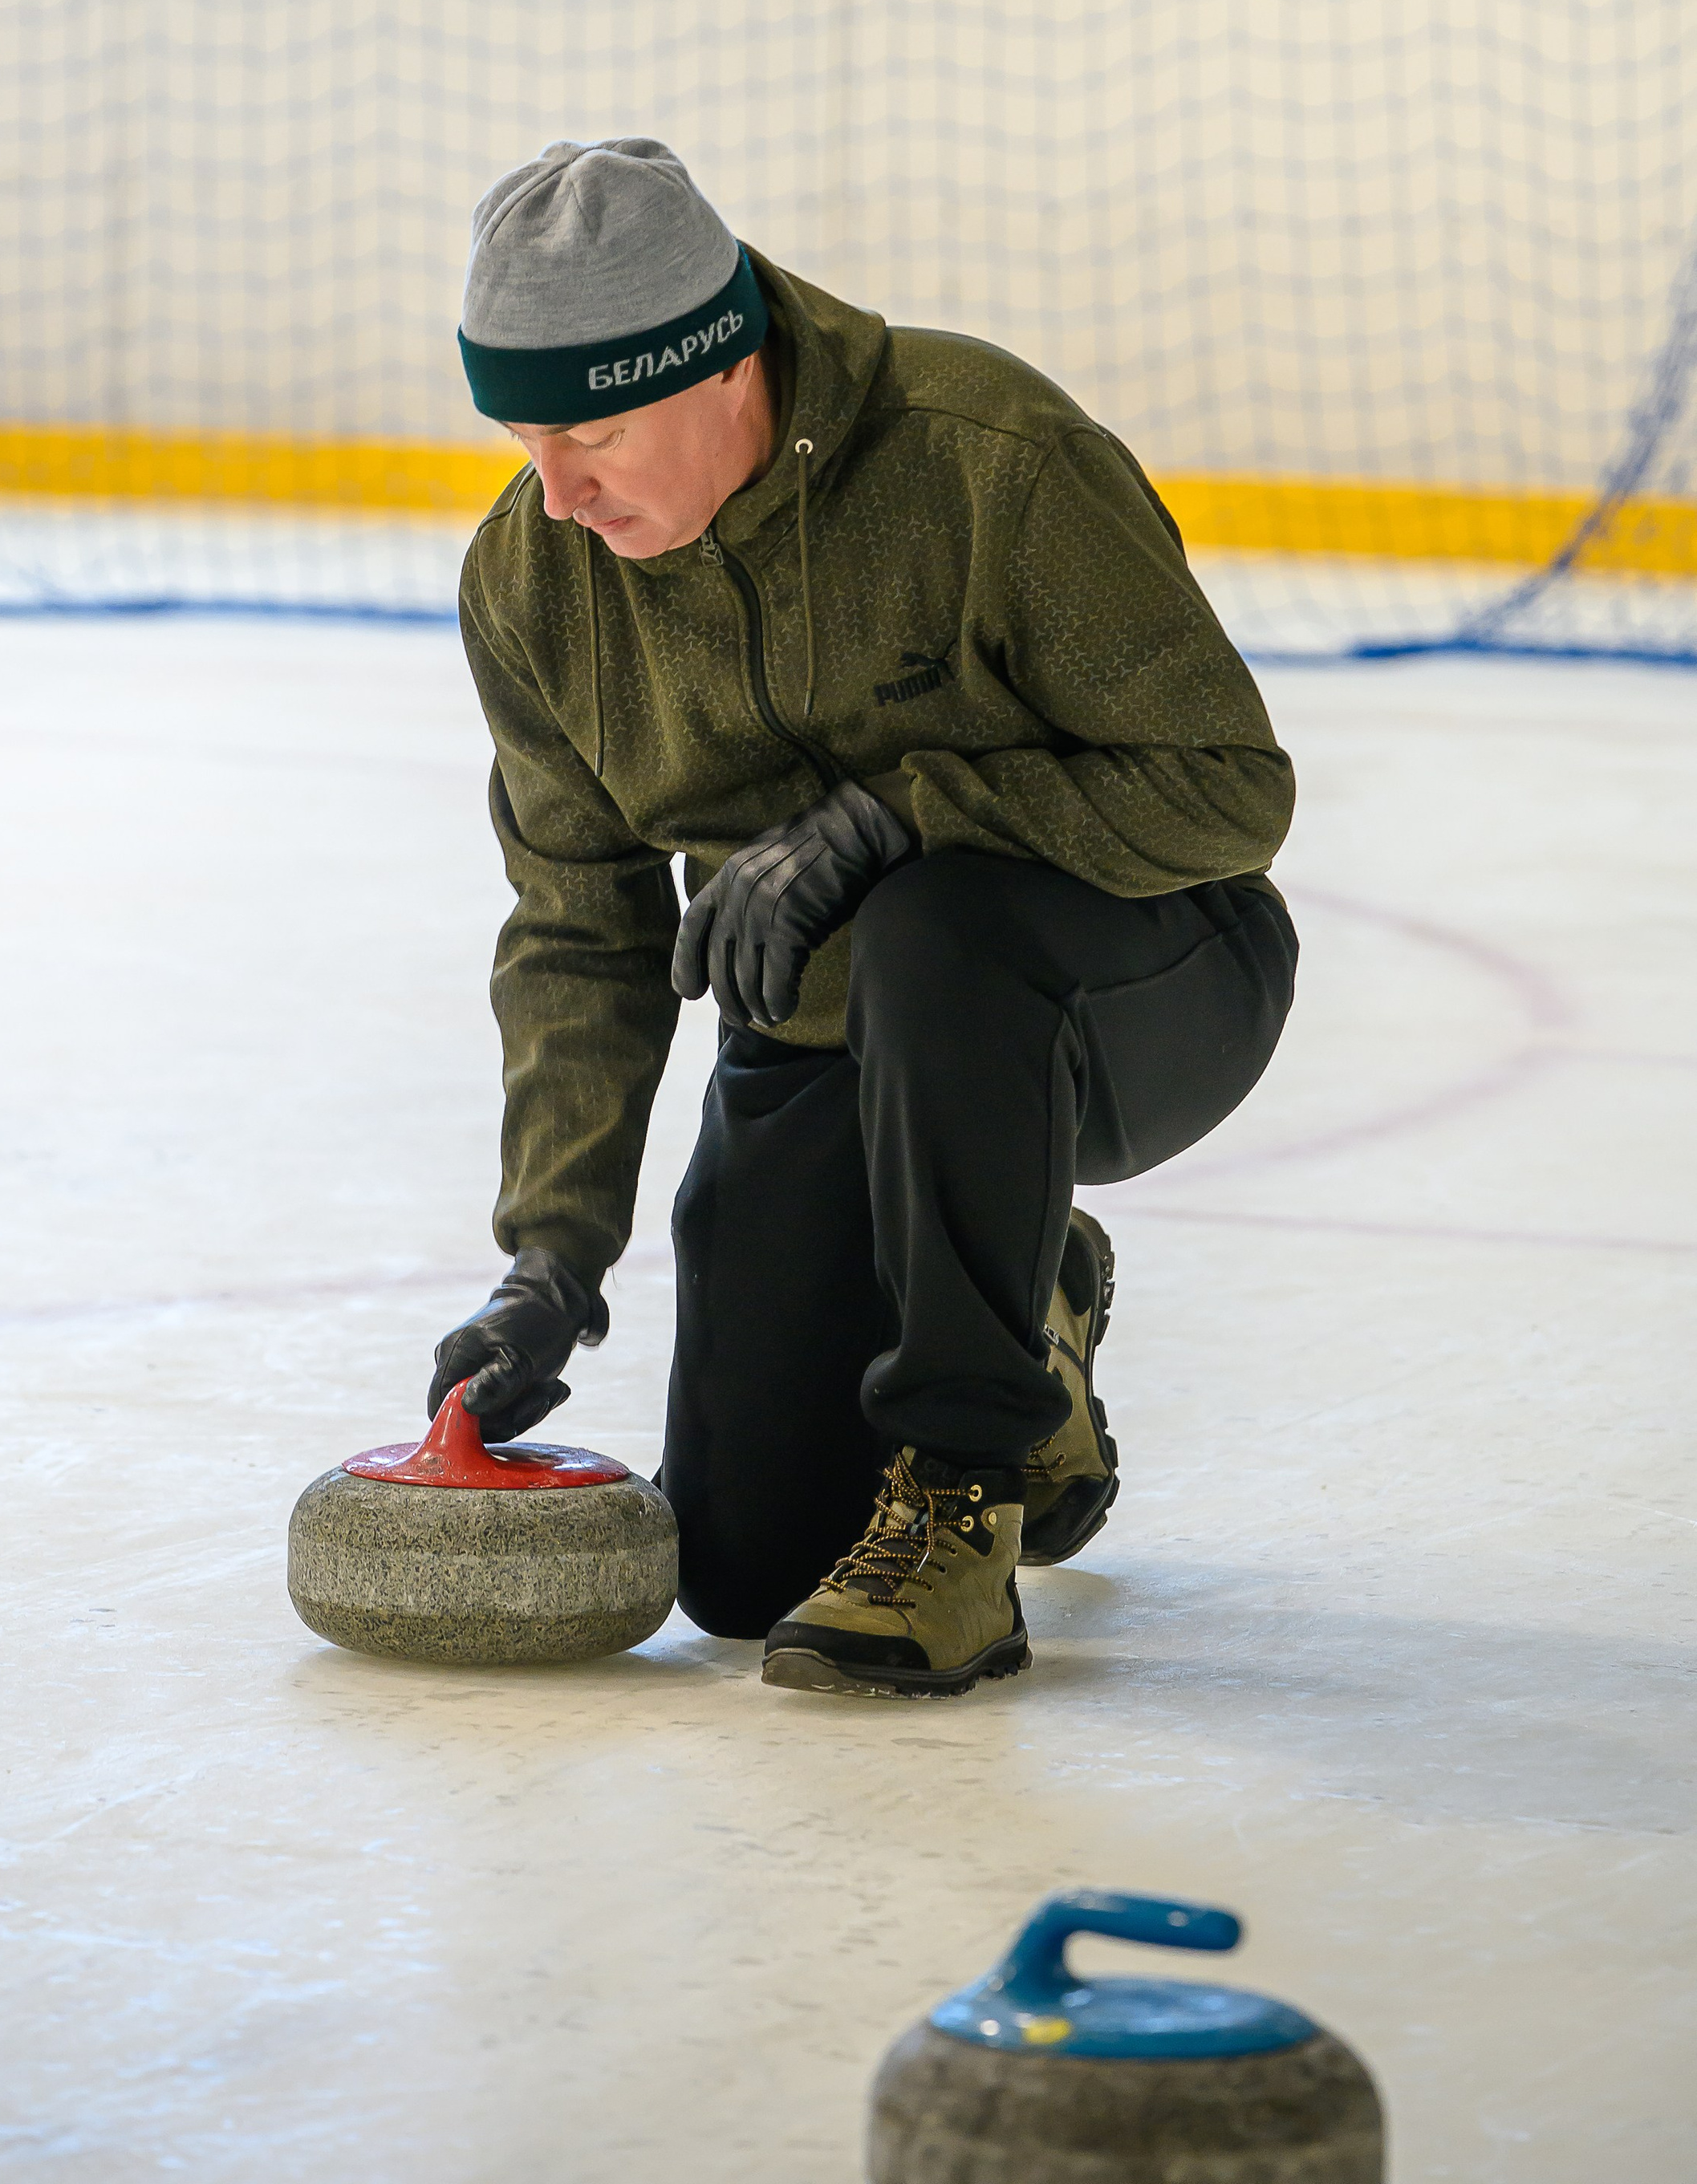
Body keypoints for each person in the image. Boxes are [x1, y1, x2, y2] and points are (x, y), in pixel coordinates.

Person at [428, 139, 1297, 1700]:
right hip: (823, 1030)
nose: (557, 496)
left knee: (933, 927)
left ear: (722, 365)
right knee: (751, 1569)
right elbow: (578, 925)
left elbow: (1226, 792)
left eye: (593, 431)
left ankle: (966, 1489)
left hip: (1140, 986)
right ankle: (1026, 1292)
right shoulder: (532, 585)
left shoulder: (981, 458)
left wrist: (906, 811)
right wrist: (549, 1258)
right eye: (522, 439)